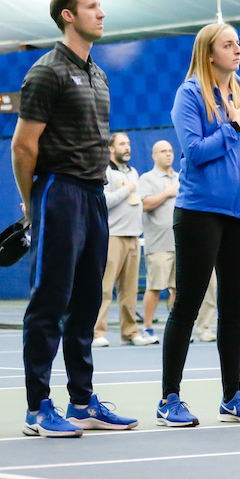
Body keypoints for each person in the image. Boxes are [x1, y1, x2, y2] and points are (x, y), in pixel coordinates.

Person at [12, 0, 137, 436]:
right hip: (58, 192)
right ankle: (37, 407)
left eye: (100, 5)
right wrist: (33, 204)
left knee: (86, 302)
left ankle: (82, 402)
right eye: (91, 6)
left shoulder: (98, 74)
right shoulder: (46, 72)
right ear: (68, 16)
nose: (101, 13)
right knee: (50, 301)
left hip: (93, 194)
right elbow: (24, 146)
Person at [158, 22, 240, 427]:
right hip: (200, 212)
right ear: (208, 53)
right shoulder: (188, 95)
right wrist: (233, 126)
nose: (238, 50)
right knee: (187, 304)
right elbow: (196, 153)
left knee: (233, 310)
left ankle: (232, 396)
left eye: (239, 43)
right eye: (228, 44)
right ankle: (169, 398)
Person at [94, 133, 151, 347]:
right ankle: (97, 332)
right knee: (105, 289)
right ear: (111, 149)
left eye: (128, 144)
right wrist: (127, 189)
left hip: (134, 237)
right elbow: (103, 201)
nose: (127, 148)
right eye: (122, 144)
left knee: (129, 291)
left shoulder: (133, 172)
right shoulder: (105, 171)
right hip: (112, 238)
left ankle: (130, 331)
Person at [138, 140, 179, 342]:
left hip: (180, 244)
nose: (168, 154)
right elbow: (144, 204)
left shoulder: (181, 179)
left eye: (170, 151)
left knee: (178, 290)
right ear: (154, 156)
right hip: (158, 245)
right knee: (154, 287)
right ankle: (147, 328)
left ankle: (176, 328)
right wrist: (167, 193)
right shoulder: (147, 179)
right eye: (163, 151)